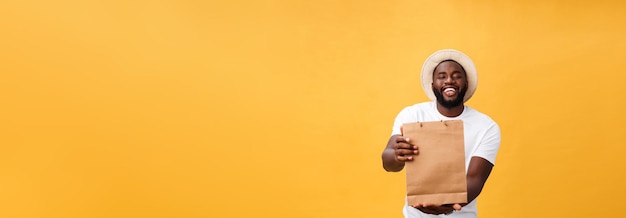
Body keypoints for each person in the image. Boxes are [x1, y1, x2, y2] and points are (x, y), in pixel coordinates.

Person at [381, 49, 501, 217]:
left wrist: (448, 204)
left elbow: (475, 178)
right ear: (433, 85)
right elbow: (388, 162)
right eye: (442, 76)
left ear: (466, 84)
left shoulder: (486, 126)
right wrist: (396, 156)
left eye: (457, 76)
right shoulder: (412, 115)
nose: (449, 80)